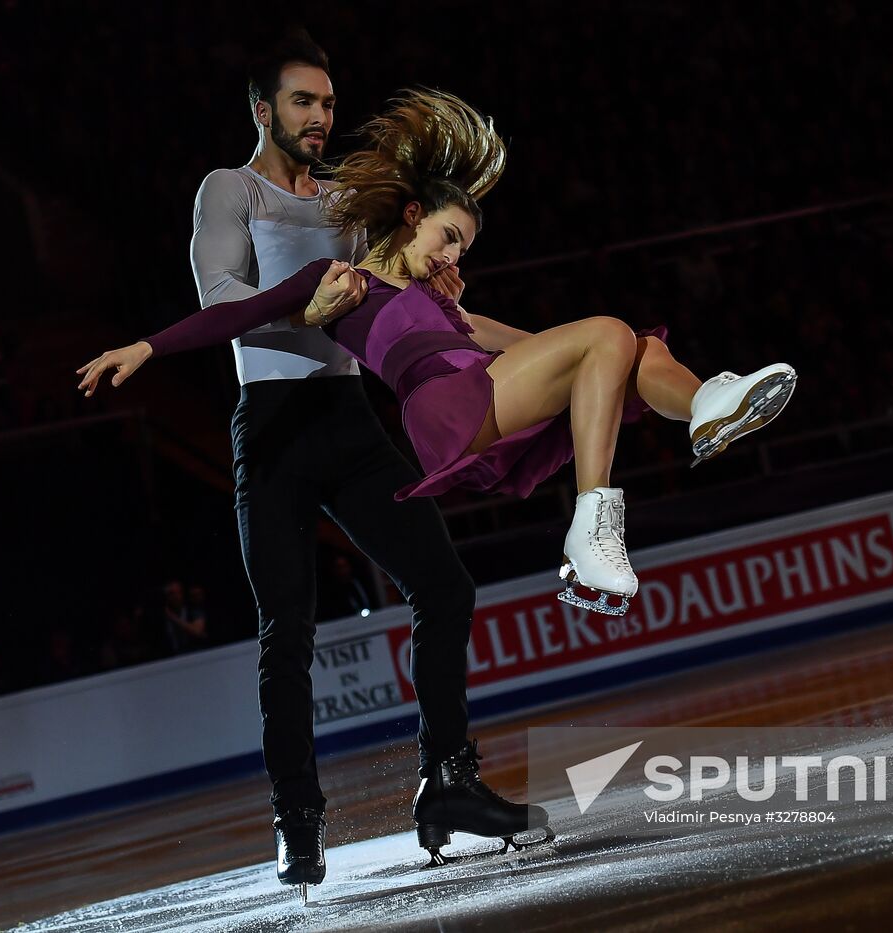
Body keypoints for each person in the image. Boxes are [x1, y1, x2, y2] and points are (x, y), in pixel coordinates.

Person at [76, 39, 545, 895]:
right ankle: (298, 818)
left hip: (348, 419)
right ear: (263, 110)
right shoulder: (232, 189)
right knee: (285, 629)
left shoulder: (350, 199)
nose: (321, 116)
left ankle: (448, 780)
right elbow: (223, 307)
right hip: (275, 427)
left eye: (328, 102)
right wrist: (310, 309)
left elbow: (394, 290)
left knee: (445, 586)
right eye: (302, 102)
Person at [80, 89, 798, 617]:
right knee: (608, 332)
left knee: (629, 343)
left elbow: (539, 351)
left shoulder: (450, 305)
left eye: (465, 248)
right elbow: (236, 311)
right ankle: (593, 521)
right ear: (414, 216)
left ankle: (710, 402)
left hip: (487, 392)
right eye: (450, 237)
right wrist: (146, 345)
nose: (454, 254)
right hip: (445, 410)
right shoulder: (344, 283)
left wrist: (611, 363)